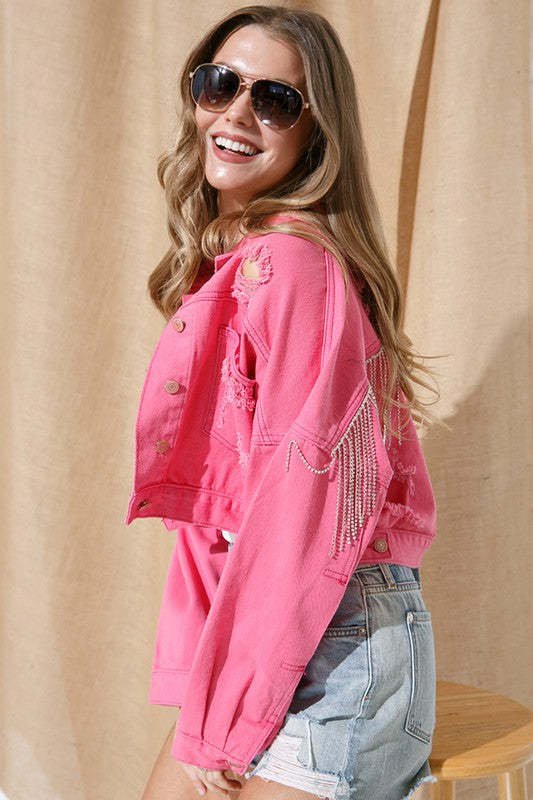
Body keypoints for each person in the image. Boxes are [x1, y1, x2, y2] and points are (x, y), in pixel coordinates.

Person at [127, 5, 449, 800]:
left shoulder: (293, 267)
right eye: (219, 84)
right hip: (266, 632)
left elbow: (302, 511)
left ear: (314, 133)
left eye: (273, 100)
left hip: (338, 642)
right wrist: (203, 689)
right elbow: (217, 521)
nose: (236, 113)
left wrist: (221, 720)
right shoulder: (237, 264)